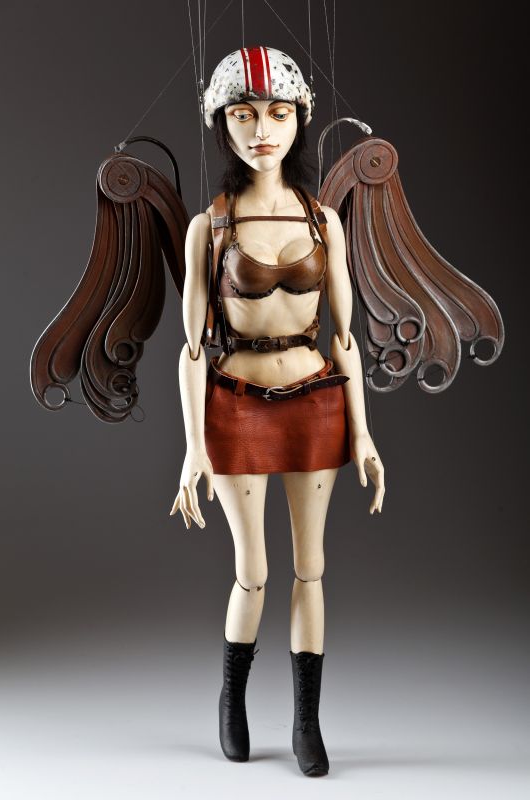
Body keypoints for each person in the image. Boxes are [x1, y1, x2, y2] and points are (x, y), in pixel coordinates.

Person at [169, 46, 385, 777]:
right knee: (253, 570)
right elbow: (192, 348)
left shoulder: (324, 221)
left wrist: (364, 434)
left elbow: (345, 337)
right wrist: (193, 447)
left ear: (299, 121)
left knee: (311, 568)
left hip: (316, 400)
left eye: (278, 113)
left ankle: (305, 722)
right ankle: (232, 700)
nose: (262, 130)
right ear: (222, 124)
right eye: (244, 114)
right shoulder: (210, 227)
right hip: (235, 405)